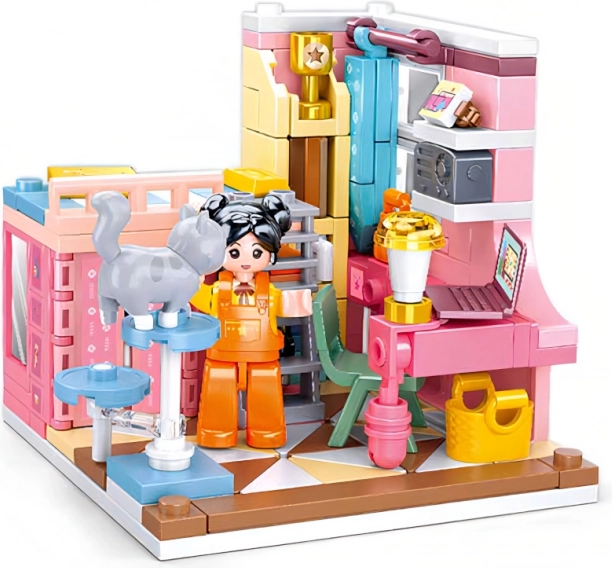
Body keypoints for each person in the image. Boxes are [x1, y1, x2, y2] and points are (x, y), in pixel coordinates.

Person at [190, 193, 312, 449]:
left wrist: (299, 302)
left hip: (262, 358)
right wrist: (193, 283)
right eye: (234, 251)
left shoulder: (270, 291)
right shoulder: (218, 290)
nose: (245, 260)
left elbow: (288, 305)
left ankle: (267, 432)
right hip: (223, 357)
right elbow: (199, 298)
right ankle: (216, 432)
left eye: (257, 251)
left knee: (266, 396)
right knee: (217, 393)